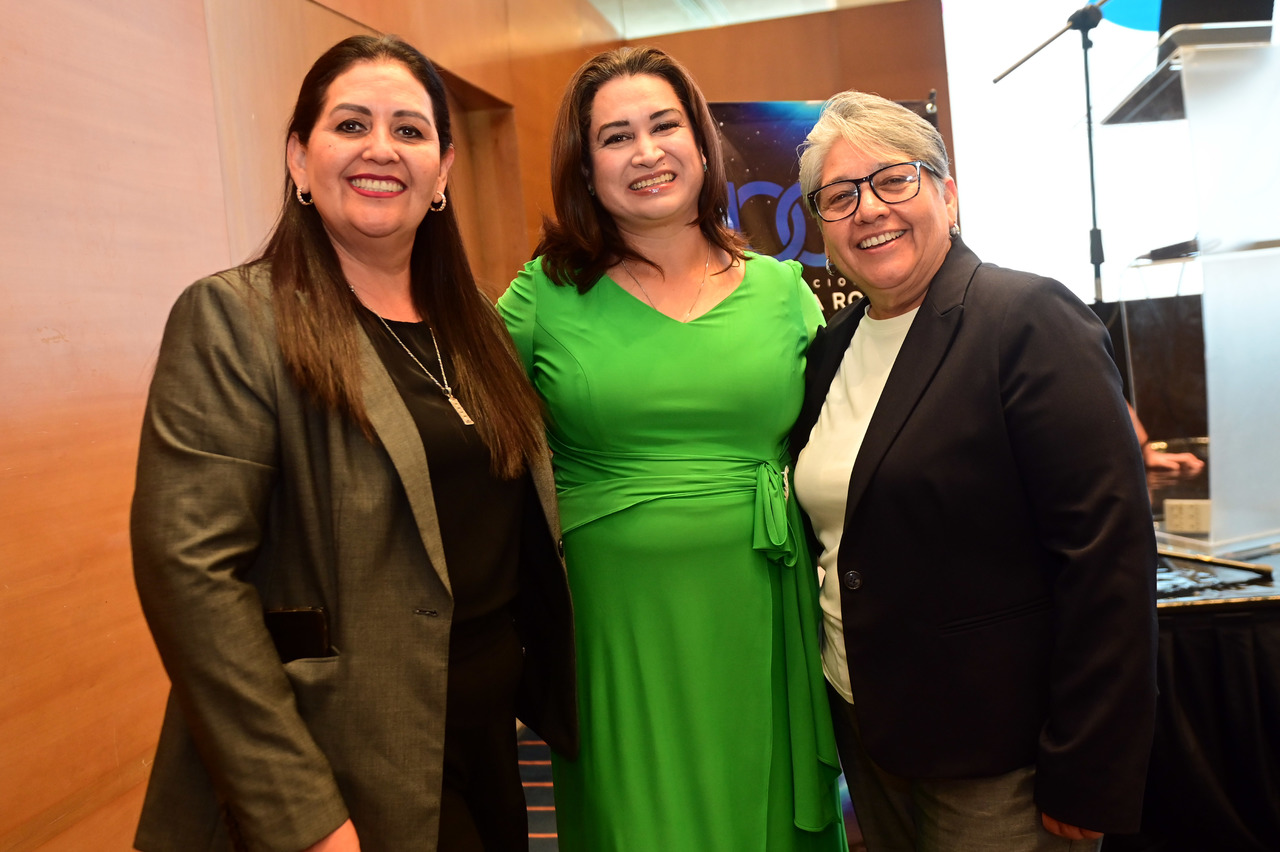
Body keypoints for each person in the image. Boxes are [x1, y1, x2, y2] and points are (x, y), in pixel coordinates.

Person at [130, 35, 576, 852]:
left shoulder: (478, 329)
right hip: (341, 759)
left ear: (443, 170)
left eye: (409, 130)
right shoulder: (236, 320)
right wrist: (303, 817)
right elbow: (190, 579)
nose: (381, 148)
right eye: (350, 125)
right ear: (299, 159)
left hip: (485, 746)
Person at [497, 46, 846, 852]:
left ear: (701, 142)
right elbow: (461, 434)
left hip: (763, 614)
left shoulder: (783, 292)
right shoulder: (541, 298)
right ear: (586, 167)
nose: (646, 152)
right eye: (615, 137)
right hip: (619, 629)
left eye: (664, 126)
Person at [790, 91, 1158, 851]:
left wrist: (1091, 760)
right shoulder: (831, 350)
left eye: (894, 179)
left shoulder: (1026, 319)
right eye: (840, 195)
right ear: (821, 225)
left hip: (1003, 756)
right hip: (869, 732)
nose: (869, 209)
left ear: (948, 195)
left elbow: (1108, 558)